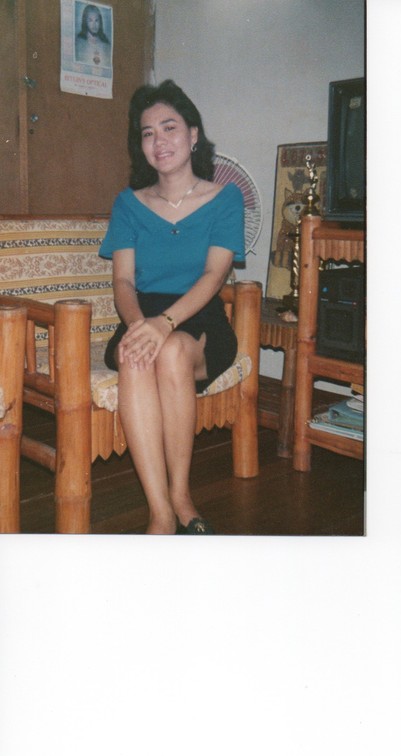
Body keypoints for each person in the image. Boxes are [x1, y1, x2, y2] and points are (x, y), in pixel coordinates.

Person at [99, 80, 245, 535]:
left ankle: (181, 495)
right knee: (136, 355)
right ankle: (160, 511)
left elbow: (214, 275)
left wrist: (165, 324)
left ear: (193, 134)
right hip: (141, 316)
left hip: (199, 317)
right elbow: (123, 281)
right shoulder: (129, 203)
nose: (158, 141)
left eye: (169, 127)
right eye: (147, 133)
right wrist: (139, 326)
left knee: (175, 350)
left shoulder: (225, 199)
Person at [75, 4, 111, 68]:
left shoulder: (107, 46)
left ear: (100, 22)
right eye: (90, 20)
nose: (94, 25)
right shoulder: (77, 43)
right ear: (85, 22)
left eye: (96, 20)